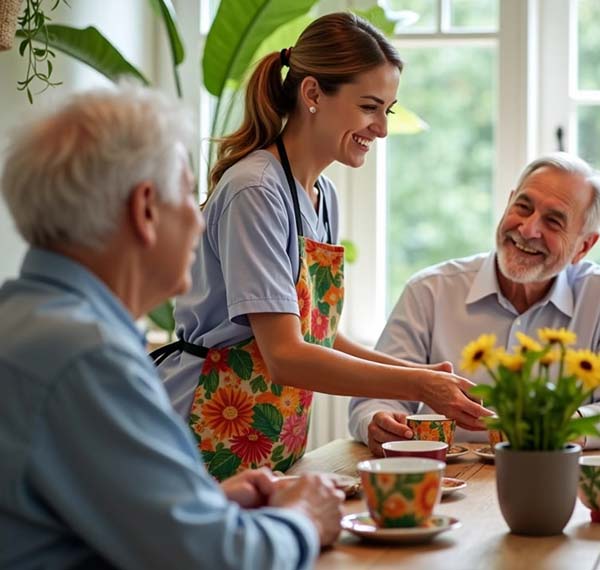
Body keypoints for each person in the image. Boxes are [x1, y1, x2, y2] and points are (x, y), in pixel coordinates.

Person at [0, 83, 345, 570]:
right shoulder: (87, 355)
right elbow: (217, 561)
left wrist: (211, 508)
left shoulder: (26, 321)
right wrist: (305, 517)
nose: (200, 221)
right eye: (187, 193)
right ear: (144, 210)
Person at [155, 11, 489, 480]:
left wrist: (428, 375)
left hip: (263, 435)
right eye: (370, 107)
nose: (382, 129)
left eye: (387, 111)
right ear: (313, 94)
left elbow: (317, 334)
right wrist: (418, 382)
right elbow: (285, 354)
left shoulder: (320, 194)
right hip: (200, 428)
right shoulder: (255, 190)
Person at [349, 152, 600, 456]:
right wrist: (378, 422)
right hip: (446, 482)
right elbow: (374, 397)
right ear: (508, 203)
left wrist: (569, 427)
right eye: (523, 206)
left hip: (550, 479)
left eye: (553, 221)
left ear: (584, 246)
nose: (528, 229)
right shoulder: (429, 290)